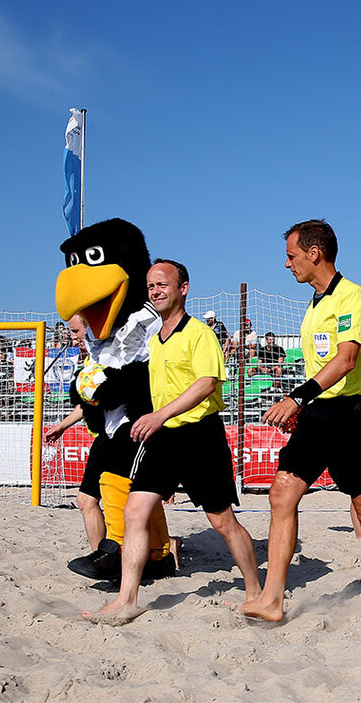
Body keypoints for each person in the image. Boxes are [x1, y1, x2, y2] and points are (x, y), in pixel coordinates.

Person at [83, 259, 259, 625]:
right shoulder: (154, 339)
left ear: (183, 288)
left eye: (162, 284)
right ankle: (127, 600)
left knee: (223, 522)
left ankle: (255, 592)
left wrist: (160, 415)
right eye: (150, 286)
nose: (155, 291)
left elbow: (207, 383)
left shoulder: (200, 333)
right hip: (163, 437)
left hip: (200, 436)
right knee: (135, 512)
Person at [243, 219, 361, 622]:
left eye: (291, 256)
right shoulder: (314, 302)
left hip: (356, 411)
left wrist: (296, 398)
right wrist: (305, 404)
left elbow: (346, 360)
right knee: (281, 493)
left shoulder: (351, 295)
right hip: (321, 410)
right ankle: (272, 598)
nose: (286, 264)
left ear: (314, 253)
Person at [45, 314, 105, 550]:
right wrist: (62, 426)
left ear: (90, 328)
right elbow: (86, 404)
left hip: (116, 438)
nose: (72, 337)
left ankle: (102, 556)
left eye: (75, 331)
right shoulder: (92, 359)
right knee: (120, 503)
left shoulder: (108, 357)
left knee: (89, 500)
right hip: (105, 438)